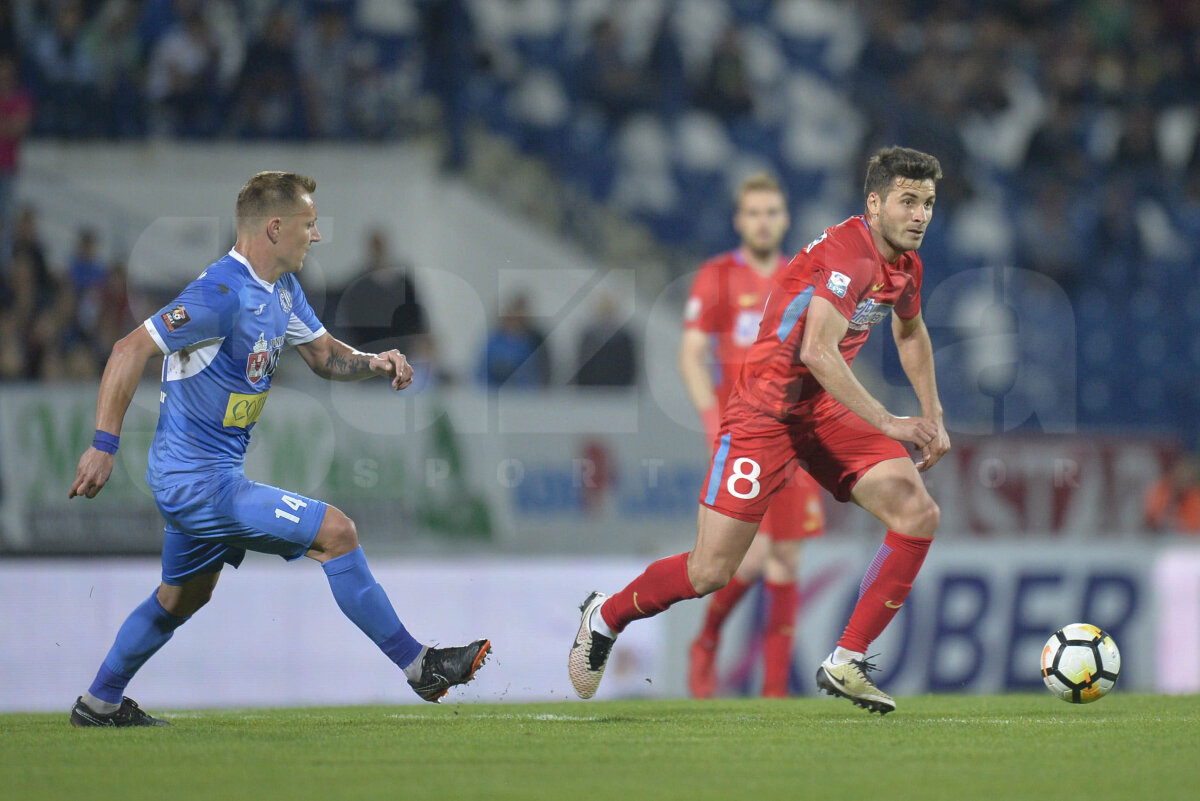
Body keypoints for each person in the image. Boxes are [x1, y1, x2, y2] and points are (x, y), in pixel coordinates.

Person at [68, 172, 490, 727]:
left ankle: (98, 703)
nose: (316, 237)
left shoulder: (282, 290)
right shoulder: (221, 294)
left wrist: (376, 362)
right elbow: (128, 349)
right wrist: (103, 445)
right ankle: (420, 666)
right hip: (199, 482)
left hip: (206, 478)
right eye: (308, 225)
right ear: (274, 227)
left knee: (181, 598)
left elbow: (321, 356)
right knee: (336, 532)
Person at [570, 147, 950, 714]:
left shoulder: (904, 266)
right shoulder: (851, 253)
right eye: (907, 201)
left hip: (823, 412)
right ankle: (606, 615)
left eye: (928, 204)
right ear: (873, 203)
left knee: (917, 512)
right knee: (711, 571)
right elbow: (817, 350)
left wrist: (934, 414)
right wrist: (892, 421)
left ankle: (848, 657)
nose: (920, 215)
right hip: (765, 415)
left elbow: (911, 332)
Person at [679, 173, 825, 699]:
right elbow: (691, 356)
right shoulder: (718, 276)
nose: (763, 221)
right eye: (753, 212)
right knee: (756, 556)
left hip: (794, 435)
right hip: (741, 435)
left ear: (784, 219)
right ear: (740, 220)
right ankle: (708, 640)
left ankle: (775, 695)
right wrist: (709, 422)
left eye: (771, 211)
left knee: (787, 558)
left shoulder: (805, 276)